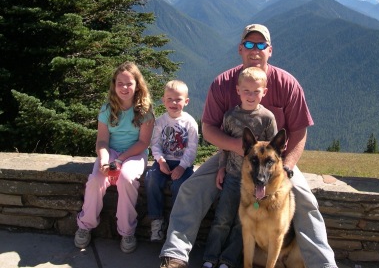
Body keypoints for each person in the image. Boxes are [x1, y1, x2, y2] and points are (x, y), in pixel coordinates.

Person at [159, 24, 338, 268]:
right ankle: (175, 255)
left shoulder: (288, 84)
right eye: (250, 45)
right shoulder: (223, 83)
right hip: (231, 157)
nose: (255, 50)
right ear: (240, 49)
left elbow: (299, 131)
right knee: (192, 189)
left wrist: (287, 166)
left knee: (306, 201)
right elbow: (209, 129)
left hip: (275, 164)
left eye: (261, 45)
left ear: (270, 50)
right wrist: (235, 147)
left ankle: (324, 264)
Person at [74, 61, 155, 254]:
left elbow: (143, 143)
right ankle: (85, 225)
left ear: (137, 85)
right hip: (110, 152)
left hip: (134, 154)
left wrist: (120, 160)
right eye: (120, 83)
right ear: (114, 85)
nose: (124, 88)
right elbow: (102, 141)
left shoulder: (145, 111)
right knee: (95, 180)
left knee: (126, 179)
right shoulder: (106, 109)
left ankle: (127, 231)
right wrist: (104, 160)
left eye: (129, 83)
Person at [202, 67, 277, 268]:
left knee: (242, 223)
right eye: (246, 91)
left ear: (264, 92)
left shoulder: (267, 119)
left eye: (256, 91)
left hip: (255, 182)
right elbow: (224, 148)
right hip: (233, 177)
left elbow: (273, 153)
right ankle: (210, 256)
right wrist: (221, 169)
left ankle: (228, 259)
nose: (251, 96)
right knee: (222, 218)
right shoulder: (229, 117)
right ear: (238, 90)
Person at [145, 80, 198, 242]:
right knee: (151, 179)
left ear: (186, 101)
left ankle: (175, 222)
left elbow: (191, 149)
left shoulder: (190, 123)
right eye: (169, 99)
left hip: (183, 164)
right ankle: (157, 220)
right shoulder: (160, 121)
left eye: (178, 99)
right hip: (164, 161)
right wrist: (160, 161)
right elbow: (155, 144)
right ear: (163, 100)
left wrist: (182, 167)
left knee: (180, 185)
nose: (173, 103)